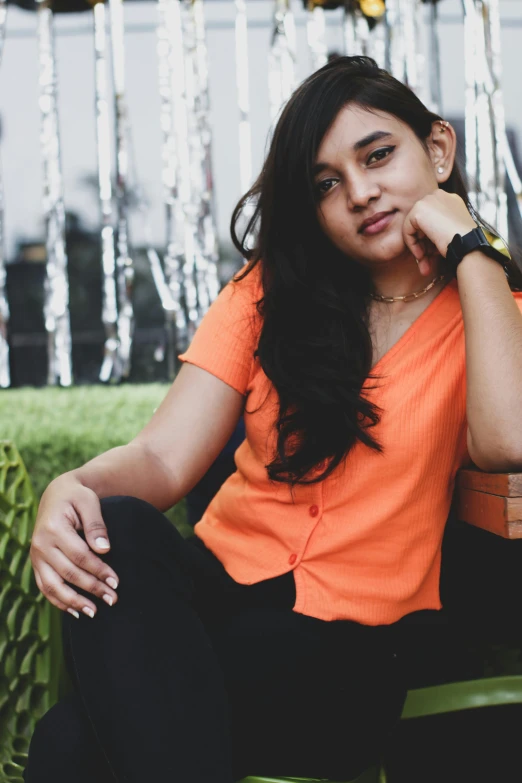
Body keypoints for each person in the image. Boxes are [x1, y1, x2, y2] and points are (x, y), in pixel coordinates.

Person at [24, 55, 522, 783]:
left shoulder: (493, 318)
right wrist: (72, 486)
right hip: (217, 591)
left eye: (379, 155)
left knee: (71, 743)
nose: (360, 193)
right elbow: (163, 460)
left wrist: (472, 245)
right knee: (121, 522)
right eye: (327, 183)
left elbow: (508, 437)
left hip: (347, 644)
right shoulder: (267, 292)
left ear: (437, 149)